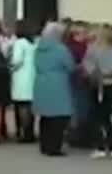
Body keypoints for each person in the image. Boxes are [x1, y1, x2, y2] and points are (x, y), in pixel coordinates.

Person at [33, 22, 75, 157]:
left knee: (45, 117)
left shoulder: (38, 48)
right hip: (58, 84)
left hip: (41, 82)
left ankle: (44, 145)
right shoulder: (61, 49)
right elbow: (70, 66)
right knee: (58, 118)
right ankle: (54, 147)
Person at [83, 24, 112, 158]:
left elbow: (88, 67)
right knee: (110, 116)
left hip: (98, 85)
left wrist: (95, 73)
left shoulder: (93, 49)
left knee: (98, 117)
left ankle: (100, 146)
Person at [10, 22, 36, 143]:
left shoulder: (19, 43)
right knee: (29, 107)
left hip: (21, 77)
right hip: (32, 77)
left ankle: (23, 132)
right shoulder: (34, 43)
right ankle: (30, 131)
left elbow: (17, 60)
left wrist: (10, 67)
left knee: (21, 106)